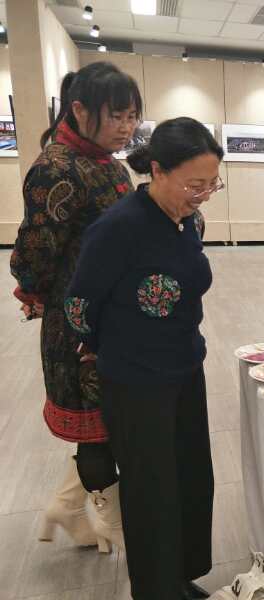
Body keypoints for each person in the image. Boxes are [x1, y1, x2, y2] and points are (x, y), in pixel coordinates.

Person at [64, 117, 223, 599]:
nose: (203, 195)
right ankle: (155, 590)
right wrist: (106, 346)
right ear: (157, 170)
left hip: (184, 367)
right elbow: (79, 306)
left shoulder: (188, 220)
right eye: (194, 185)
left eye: (212, 184)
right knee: (151, 490)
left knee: (190, 477)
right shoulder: (118, 228)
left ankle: (179, 577)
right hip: (136, 381)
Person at [9, 62, 142, 551]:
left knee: (109, 422)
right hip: (80, 323)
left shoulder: (108, 163)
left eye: (131, 117)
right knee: (99, 429)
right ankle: (117, 527)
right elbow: (34, 252)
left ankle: (66, 507)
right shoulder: (55, 168)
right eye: (116, 117)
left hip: (117, 315)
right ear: (80, 110)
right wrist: (39, 293)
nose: (126, 128)